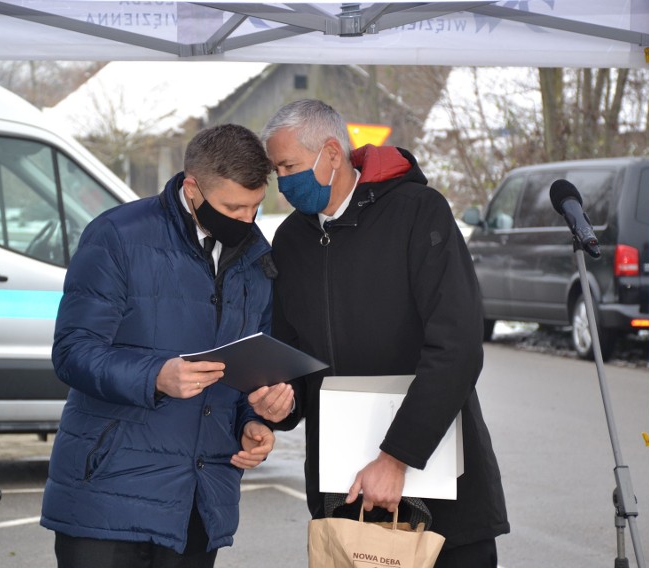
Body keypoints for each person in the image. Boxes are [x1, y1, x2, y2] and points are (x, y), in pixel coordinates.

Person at [250, 99, 510, 566]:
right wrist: (281, 404)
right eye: (276, 170)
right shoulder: (290, 240)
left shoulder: (418, 212)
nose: (282, 183)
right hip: (345, 497)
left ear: (331, 153)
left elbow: (457, 347)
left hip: (438, 485)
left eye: (288, 166)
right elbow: (294, 356)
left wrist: (397, 457)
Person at [41, 124, 279, 568]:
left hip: (200, 500)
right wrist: (157, 376)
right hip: (107, 498)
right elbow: (72, 352)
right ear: (192, 188)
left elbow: (251, 360)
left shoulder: (255, 256)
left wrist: (253, 421)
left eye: (256, 207)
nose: (247, 220)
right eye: (233, 207)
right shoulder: (118, 236)